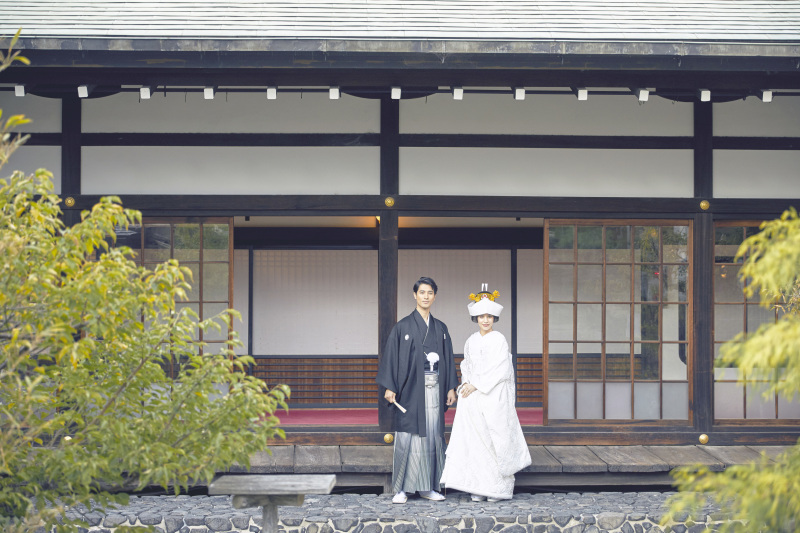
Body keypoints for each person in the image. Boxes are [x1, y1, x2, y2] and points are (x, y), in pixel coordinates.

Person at [439, 284, 531, 502]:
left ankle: (498, 488)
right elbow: (466, 365)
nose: (486, 320)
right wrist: (467, 384)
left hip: (494, 394)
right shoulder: (471, 340)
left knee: (494, 439)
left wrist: (477, 384)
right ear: (476, 318)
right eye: (481, 316)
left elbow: (501, 368)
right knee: (476, 440)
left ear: (494, 319)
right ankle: (479, 486)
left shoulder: (499, 339)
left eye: (489, 316)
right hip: (475, 395)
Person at [376, 276, 458, 504]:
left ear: (434, 296)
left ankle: (429, 487)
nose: (425, 296)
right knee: (408, 436)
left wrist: (451, 386)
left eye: (430, 293)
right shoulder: (402, 326)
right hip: (410, 391)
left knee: (432, 436)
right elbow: (391, 357)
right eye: (422, 292)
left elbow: (449, 359)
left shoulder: (440, 327)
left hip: (434, 388)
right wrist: (390, 386)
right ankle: (401, 488)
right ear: (415, 295)